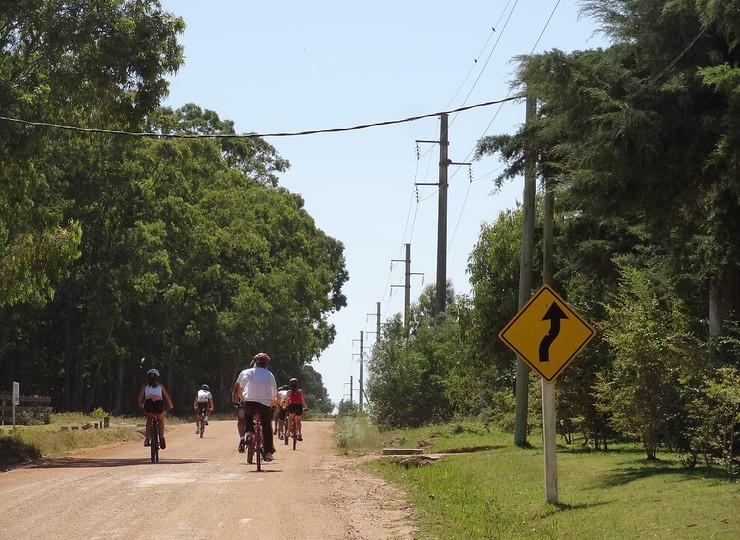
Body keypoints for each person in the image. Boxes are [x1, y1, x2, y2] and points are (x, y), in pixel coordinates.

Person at [232, 352, 278, 460]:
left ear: (255, 362)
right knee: (266, 425)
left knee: (248, 415)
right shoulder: (270, 375)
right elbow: (274, 392)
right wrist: (273, 403)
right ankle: (267, 452)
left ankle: (248, 433)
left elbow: (240, 387)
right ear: (267, 364)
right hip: (265, 405)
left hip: (250, 403)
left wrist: (242, 396)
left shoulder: (248, 372)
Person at [137, 368, 174, 449]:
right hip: (158, 404)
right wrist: (170, 405)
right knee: (160, 420)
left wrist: (141, 406)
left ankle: (147, 439)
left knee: (149, 420)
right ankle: (161, 437)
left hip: (149, 404)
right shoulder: (160, 385)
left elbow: (139, 399)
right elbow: (167, 397)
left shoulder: (145, 385)